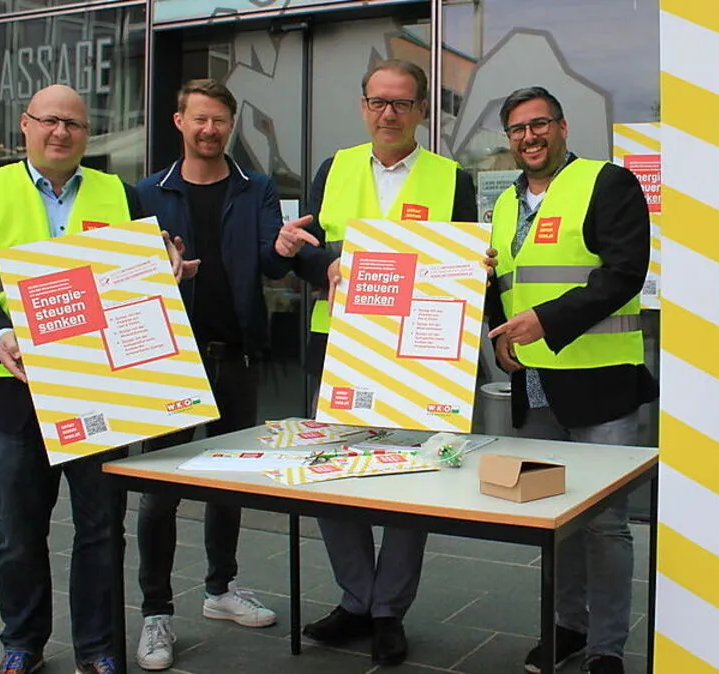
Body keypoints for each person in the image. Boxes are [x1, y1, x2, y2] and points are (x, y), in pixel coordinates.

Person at [0, 84, 162, 674]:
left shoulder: (119, 193)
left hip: (98, 391)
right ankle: (23, 644)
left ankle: (98, 648)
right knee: (18, 531)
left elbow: (139, 278)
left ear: (87, 134)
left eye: (73, 123)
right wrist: (0, 335)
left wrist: (165, 266)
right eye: (49, 120)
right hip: (14, 388)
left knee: (101, 529)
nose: (60, 132)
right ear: (25, 124)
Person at [272, 59, 478, 667]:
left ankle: (389, 609)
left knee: (413, 480)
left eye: (402, 103)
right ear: (363, 106)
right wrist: (326, 263)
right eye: (378, 102)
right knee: (334, 474)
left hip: (421, 353)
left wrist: (478, 266)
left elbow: (466, 260)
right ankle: (356, 599)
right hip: (339, 346)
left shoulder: (452, 179)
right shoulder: (332, 169)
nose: (389, 114)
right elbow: (304, 249)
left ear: (421, 111)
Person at [130, 78, 314, 671]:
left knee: (228, 483)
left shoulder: (255, 187)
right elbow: (128, 278)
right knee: (159, 491)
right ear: (179, 121)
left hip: (235, 355)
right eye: (200, 119)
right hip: (169, 362)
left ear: (230, 126)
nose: (210, 130)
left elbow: (268, 263)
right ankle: (155, 612)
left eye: (220, 121)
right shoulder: (146, 192)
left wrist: (282, 248)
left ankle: (220, 590)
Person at [486, 86, 658, 674]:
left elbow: (624, 273)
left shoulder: (607, 183)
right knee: (553, 518)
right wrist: (501, 336)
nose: (529, 137)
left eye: (540, 124)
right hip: (535, 386)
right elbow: (505, 284)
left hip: (600, 384)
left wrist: (546, 320)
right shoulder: (504, 205)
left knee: (606, 524)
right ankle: (568, 628)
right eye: (518, 129)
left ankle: (607, 647)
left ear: (562, 127)